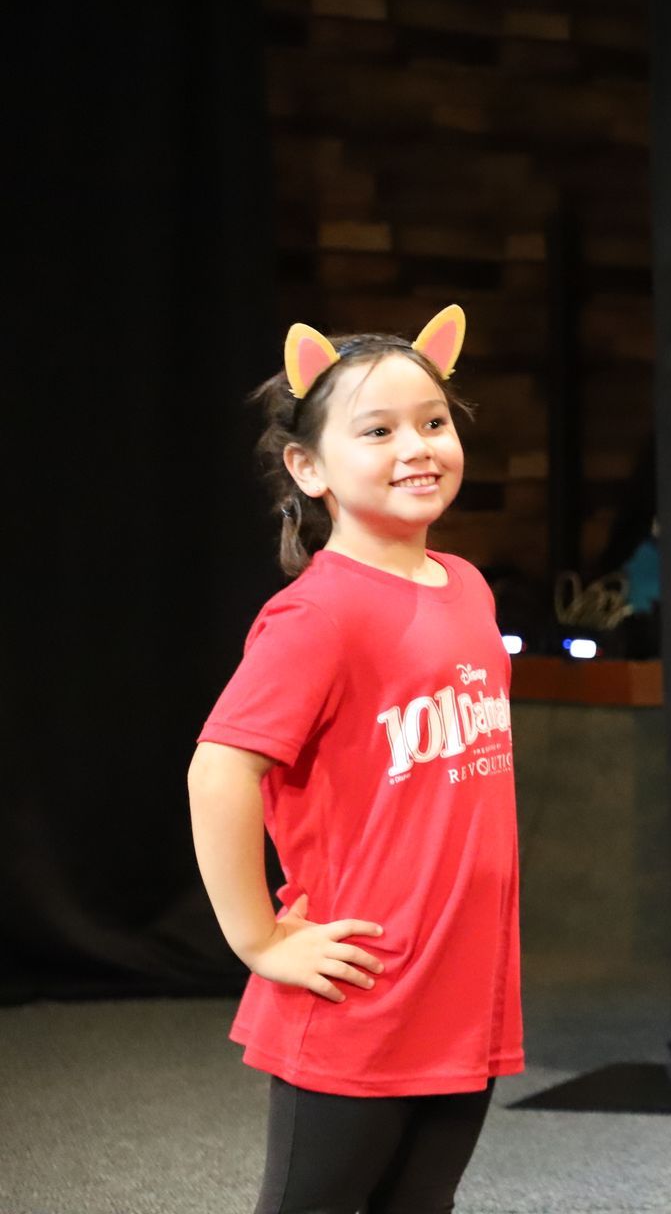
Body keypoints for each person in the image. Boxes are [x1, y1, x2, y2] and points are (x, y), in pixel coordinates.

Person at [188, 307, 521, 1213]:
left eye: (433, 422)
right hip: (361, 991)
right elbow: (219, 768)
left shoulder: (469, 587)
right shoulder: (318, 616)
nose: (416, 446)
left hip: (463, 989)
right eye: (377, 431)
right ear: (309, 467)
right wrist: (256, 938)